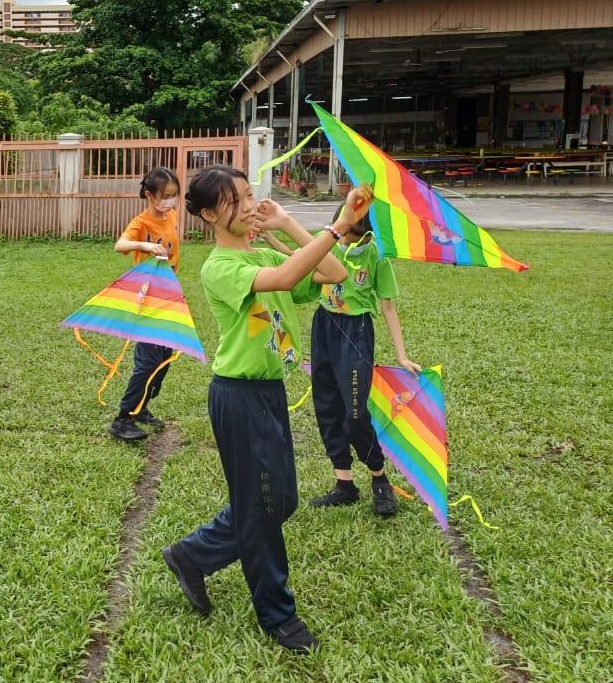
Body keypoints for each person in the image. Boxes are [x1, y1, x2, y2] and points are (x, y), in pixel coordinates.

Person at [159, 165, 371, 654]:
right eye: (236, 199)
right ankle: (278, 615)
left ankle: (191, 555)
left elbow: (333, 274)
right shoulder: (221, 267)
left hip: (269, 392)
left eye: (251, 194)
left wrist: (287, 225)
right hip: (239, 396)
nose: (250, 203)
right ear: (211, 214)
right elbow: (288, 274)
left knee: (280, 502)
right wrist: (337, 226)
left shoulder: (258, 249)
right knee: (261, 507)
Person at [308, 207, 421, 516]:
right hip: (324, 326)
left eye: (349, 230)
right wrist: (268, 235)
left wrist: (402, 355)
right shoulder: (328, 245)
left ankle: (379, 480)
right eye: (339, 227)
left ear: (363, 230)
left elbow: (387, 307)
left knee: (355, 412)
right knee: (327, 405)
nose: (342, 235)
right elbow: (300, 262)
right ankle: (344, 484)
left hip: (355, 332)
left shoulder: (376, 255)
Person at [110, 166, 182, 442]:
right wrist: (146, 246)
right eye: (165, 196)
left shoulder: (172, 215)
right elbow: (120, 244)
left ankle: (141, 408)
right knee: (148, 360)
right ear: (149, 195)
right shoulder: (141, 222)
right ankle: (123, 418)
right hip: (147, 298)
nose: (170, 201)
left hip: (168, 296)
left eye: (174, 196)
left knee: (164, 360)